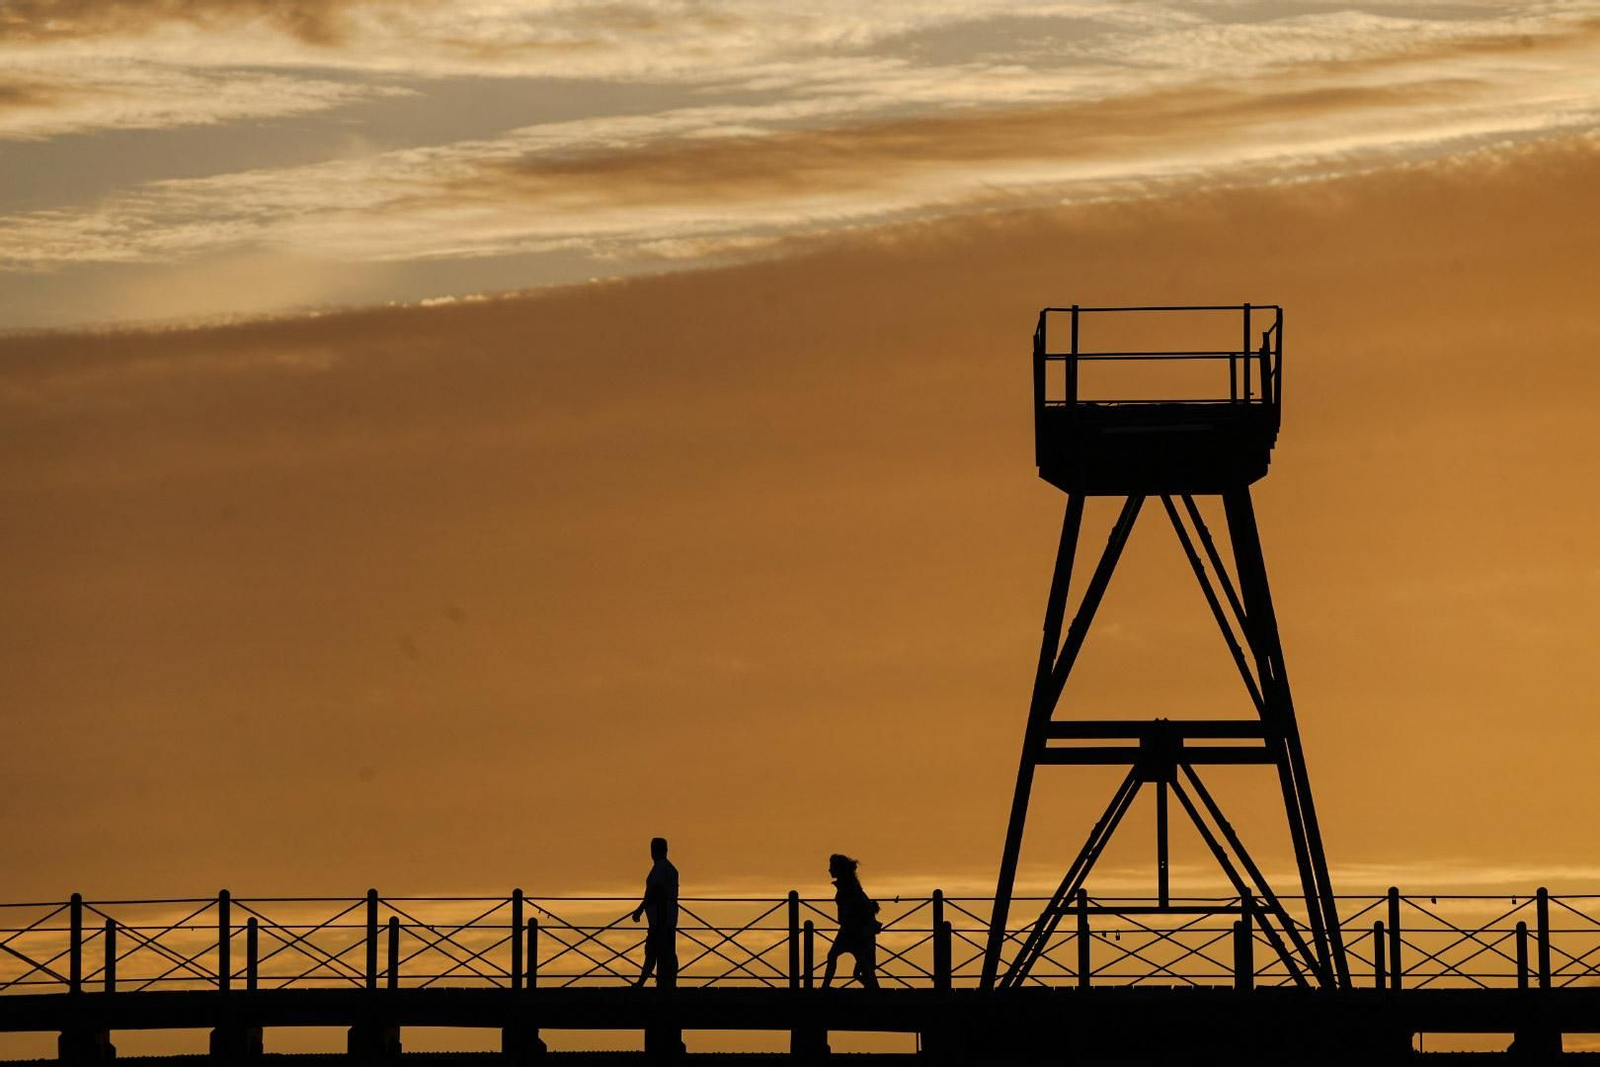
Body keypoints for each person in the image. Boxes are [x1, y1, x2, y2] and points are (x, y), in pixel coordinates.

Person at [822, 853, 880, 989]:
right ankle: (875, 990)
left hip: (852, 929)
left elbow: (854, 906)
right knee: (861, 965)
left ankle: (825, 988)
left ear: (838, 869)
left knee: (835, 957)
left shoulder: (848, 887)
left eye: (831, 867)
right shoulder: (850, 886)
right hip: (853, 929)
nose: (829, 870)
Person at [631, 836, 679, 988]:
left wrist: (639, 909)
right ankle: (668, 983)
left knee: (652, 951)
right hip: (669, 918)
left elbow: (655, 891)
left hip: (660, 919)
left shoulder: (659, 869)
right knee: (667, 952)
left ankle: (643, 983)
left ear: (653, 851)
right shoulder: (671, 869)